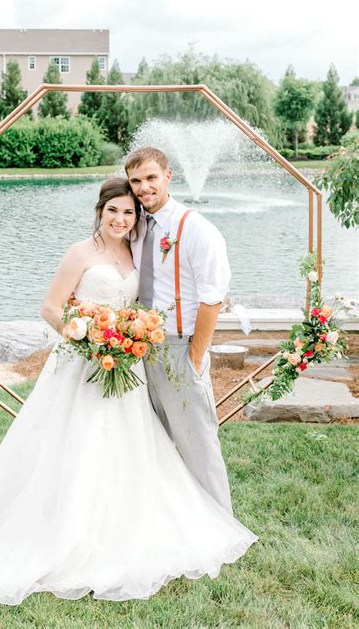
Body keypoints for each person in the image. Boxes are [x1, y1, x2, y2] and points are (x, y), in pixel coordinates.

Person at [0, 177, 257, 605]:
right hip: (81, 364)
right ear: (100, 211)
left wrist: (129, 337)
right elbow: (51, 308)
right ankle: (63, 531)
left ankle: (130, 524)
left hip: (126, 364)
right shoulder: (80, 253)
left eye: (129, 212)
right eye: (114, 211)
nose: (122, 219)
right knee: (76, 442)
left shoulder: (137, 252)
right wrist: (86, 338)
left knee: (132, 444)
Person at [126, 146, 233, 513]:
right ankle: (171, 517)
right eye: (136, 181)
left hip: (180, 346)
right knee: (151, 438)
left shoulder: (196, 228)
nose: (143, 187)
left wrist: (195, 355)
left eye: (151, 178)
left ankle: (220, 522)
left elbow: (212, 298)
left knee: (197, 439)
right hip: (139, 349)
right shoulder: (135, 227)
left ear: (168, 176)